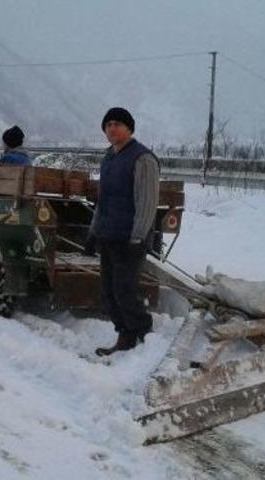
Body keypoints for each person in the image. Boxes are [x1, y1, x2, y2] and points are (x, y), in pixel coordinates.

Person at [85, 107, 160, 356]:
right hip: (108, 235)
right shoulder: (109, 158)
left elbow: (147, 202)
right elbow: (103, 201)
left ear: (129, 128)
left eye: (117, 124)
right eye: (108, 125)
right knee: (109, 290)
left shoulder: (142, 159)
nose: (111, 128)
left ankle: (144, 336)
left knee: (125, 290)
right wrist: (93, 232)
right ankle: (125, 336)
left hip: (129, 238)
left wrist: (138, 237)